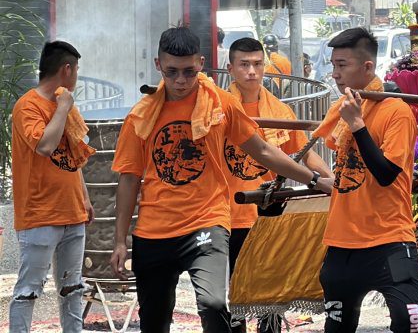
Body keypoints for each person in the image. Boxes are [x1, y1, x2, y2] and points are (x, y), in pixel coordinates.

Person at [110, 27, 332, 332]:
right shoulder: (140, 115)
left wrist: (316, 180)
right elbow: (129, 178)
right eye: (172, 71)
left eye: (189, 72)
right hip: (154, 230)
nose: (180, 81)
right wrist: (120, 239)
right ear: (157, 64)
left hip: (207, 221)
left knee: (215, 306)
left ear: (201, 63)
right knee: (154, 321)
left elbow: (264, 151)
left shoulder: (221, 104)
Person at [313, 27, 418, 333]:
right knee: (337, 328)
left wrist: (358, 125)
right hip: (342, 243)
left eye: (342, 65)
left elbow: (387, 174)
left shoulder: (395, 111)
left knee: (408, 321)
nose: (335, 74)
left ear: (368, 67)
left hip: (390, 240)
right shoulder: (344, 110)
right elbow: (346, 173)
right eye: (333, 65)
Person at [224, 37, 333, 333]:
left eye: (257, 64)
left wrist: (330, 180)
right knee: (238, 286)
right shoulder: (220, 109)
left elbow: (303, 152)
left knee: (272, 284)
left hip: (272, 211)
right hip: (232, 212)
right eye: (244, 65)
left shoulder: (279, 111)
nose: (251, 72)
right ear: (230, 67)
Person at [9, 41, 94, 333]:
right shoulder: (27, 106)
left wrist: (84, 198)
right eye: (77, 70)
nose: (77, 77)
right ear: (66, 69)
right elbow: (45, 146)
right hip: (40, 216)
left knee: (73, 288)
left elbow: (73, 155)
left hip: (72, 212)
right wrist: (63, 107)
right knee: (28, 291)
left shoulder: (64, 105)